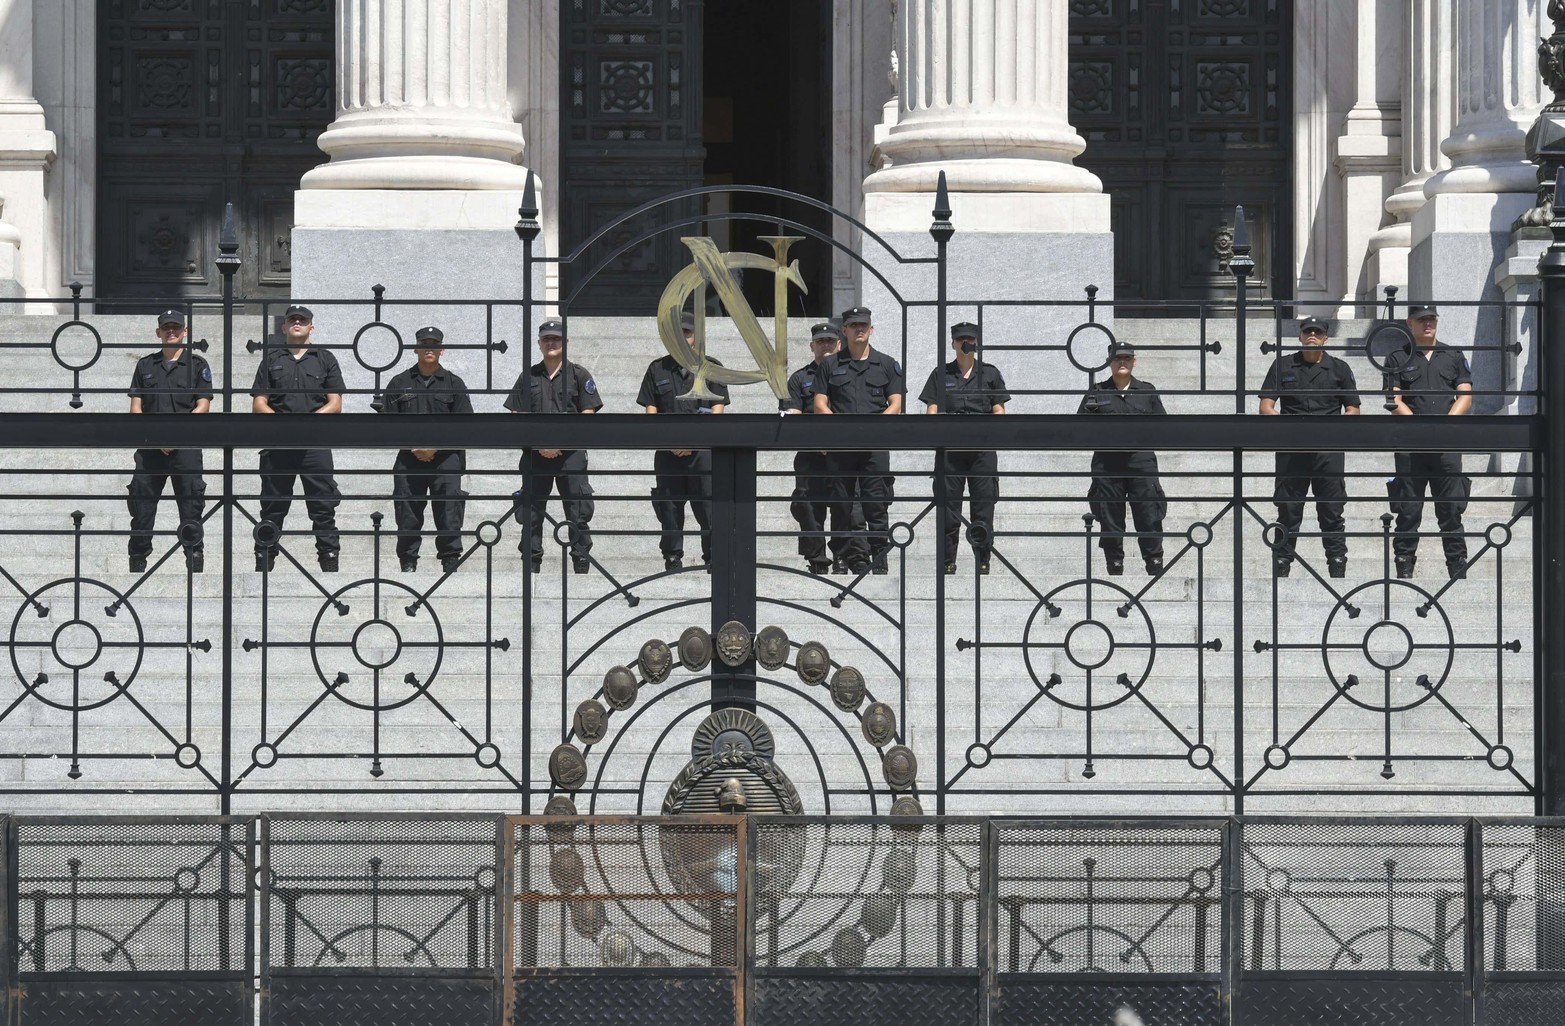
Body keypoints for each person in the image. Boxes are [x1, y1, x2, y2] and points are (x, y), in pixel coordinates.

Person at [1258, 316, 1361, 578]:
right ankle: (1281, 566)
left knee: (1331, 510)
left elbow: (1353, 410)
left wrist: (1332, 429)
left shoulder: (1339, 368)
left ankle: (1337, 568)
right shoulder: (1283, 365)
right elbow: (1266, 407)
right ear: (1300, 336)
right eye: (1308, 332)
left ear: (1326, 338)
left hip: (1328, 451)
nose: (1312, 335)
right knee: (1288, 511)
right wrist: (1289, 428)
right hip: (1293, 451)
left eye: (1317, 332)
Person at [250, 305, 344, 573]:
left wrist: (308, 424)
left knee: (322, 506)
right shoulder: (271, 359)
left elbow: (335, 404)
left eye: (303, 320)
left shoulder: (324, 358)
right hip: (279, 444)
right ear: (284, 327)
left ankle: (329, 561)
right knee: (272, 507)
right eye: (292, 320)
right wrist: (284, 425)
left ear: (311, 327)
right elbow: (259, 404)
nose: (297, 323)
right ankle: (264, 560)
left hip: (314, 445)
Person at [505, 318, 601, 574]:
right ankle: (531, 562)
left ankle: (580, 560)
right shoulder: (528, 376)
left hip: (570, 455)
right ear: (539, 344)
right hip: (535, 455)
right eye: (547, 339)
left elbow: (588, 413)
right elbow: (515, 413)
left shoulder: (580, 375)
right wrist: (538, 445)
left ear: (565, 343)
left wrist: (561, 444)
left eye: (556, 339)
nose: (551, 343)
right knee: (531, 511)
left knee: (578, 509)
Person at [813, 306, 905, 575]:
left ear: (871, 329)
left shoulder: (887, 364)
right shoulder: (831, 365)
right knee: (841, 504)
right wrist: (841, 429)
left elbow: (896, 404)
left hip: (874, 447)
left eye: (864, 325)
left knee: (876, 503)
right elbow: (820, 404)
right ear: (845, 331)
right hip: (841, 446)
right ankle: (841, 556)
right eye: (854, 325)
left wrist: (874, 429)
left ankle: (879, 555)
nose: (859, 329)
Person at [375, 326, 474, 574]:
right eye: (424, 344)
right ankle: (408, 562)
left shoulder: (454, 383)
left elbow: (466, 427)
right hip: (410, 459)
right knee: (407, 511)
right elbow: (387, 424)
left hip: (446, 459)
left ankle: (450, 560)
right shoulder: (400, 382)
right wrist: (414, 446)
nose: (428, 349)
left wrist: (435, 447)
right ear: (416, 348)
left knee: (449, 510)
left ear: (442, 350)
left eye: (433, 345)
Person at [1384, 303, 1473, 580]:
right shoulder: (1397, 357)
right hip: (1411, 446)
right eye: (1422, 320)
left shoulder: (1453, 355)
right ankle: (1404, 568)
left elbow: (1466, 396)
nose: (1428, 324)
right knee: (1408, 510)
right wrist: (1421, 428)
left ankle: (1457, 567)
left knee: (1451, 509)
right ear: (1409, 323)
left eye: (1432, 319)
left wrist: (1443, 426)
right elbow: (1393, 400)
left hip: (1446, 445)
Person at [637, 312, 729, 570]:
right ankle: (672, 557)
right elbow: (651, 412)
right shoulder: (657, 369)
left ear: (696, 337)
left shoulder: (712, 367)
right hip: (668, 452)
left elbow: (718, 411)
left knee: (708, 506)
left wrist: (695, 443)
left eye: (687, 333)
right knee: (669, 507)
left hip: (704, 453)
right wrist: (669, 443)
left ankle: (713, 557)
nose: (682, 338)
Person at [919, 321, 1010, 575]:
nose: (965, 343)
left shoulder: (990, 373)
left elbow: (999, 411)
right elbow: (931, 411)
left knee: (983, 508)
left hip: (982, 453)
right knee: (949, 510)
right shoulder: (941, 374)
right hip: (950, 453)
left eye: (969, 339)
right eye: (960, 339)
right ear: (953, 343)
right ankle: (947, 562)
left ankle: (983, 560)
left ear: (977, 343)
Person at [127, 309, 211, 574]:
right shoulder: (145, 365)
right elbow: (136, 410)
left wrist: (176, 437)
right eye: (166, 328)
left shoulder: (197, 365)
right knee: (142, 506)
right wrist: (155, 440)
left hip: (185, 448)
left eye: (176, 327)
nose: (171, 331)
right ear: (158, 332)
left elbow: (203, 406)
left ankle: (194, 556)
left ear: (185, 332)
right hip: (150, 448)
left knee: (191, 506)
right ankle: (138, 559)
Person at [1077, 341, 1167, 576]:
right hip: (1108, 463)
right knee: (1110, 515)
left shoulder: (1147, 391)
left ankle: (1154, 562)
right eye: (1118, 358)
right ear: (1109, 362)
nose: (1123, 362)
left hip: (1141, 461)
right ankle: (1114, 564)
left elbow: (1164, 426)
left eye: (1127, 358)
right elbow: (1079, 427)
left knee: (1148, 512)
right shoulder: (1097, 391)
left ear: (1134, 362)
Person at [782, 321, 842, 574]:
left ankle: (843, 557)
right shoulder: (799, 378)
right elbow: (792, 416)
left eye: (830, 341)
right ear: (812, 346)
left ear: (839, 344)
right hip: (810, 453)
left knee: (846, 506)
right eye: (821, 342)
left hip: (844, 454)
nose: (825, 345)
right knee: (806, 505)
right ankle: (817, 559)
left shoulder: (849, 374)